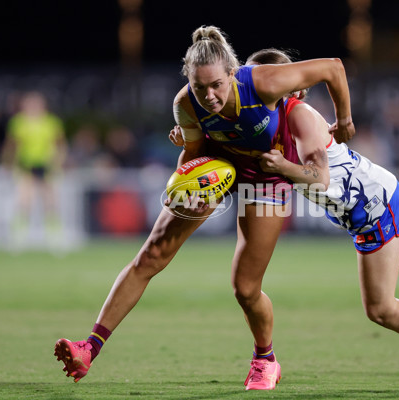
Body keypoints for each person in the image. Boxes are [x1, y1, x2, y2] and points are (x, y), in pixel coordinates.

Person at [171, 47, 399, 389]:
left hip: (371, 204)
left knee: (380, 308)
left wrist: (284, 166)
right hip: (369, 198)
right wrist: (191, 137)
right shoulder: (262, 124)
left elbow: (320, 179)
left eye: (262, 82)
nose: (254, 90)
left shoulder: (298, 115)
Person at [54, 25, 354, 391]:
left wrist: (346, 120)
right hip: (218, 169)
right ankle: (89, 347)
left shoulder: (264, 82)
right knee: (150, 256)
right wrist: (177, 187)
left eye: (217, 85)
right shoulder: (185, 104)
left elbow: (334, 68)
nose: (209, 95)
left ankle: (265, 360)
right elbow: (193, 154)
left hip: (267, 173)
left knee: (245, 289)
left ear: (232, 72)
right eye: (200, 87)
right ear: (189, 81)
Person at [1, 91, 67, 249]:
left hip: (46, 165)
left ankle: (55, 237)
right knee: (25, 201)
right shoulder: (18, 123)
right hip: (25, 165)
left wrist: (58, 162)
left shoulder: (51, 122)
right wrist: (7, 163)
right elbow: (12, 145)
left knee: (50, 202)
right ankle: (18, 237)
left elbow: (60, 144)